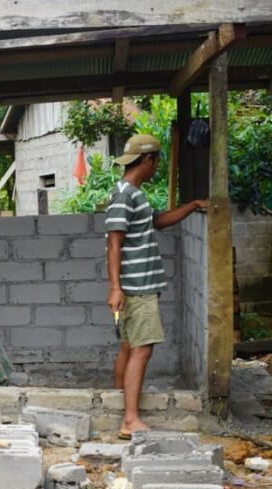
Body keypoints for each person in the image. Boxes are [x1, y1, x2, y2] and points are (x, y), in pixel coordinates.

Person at [106, 134, 208, 439]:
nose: (158, 167)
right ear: (148, 160)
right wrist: (116, 288)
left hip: (137, 286)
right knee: (142, 350)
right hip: (136, 287)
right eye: (157, 161)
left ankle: (119, 405)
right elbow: (114, 243)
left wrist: (191, 206)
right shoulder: (125, 195)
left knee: (129, 345)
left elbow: (158, 222)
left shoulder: (134, 194)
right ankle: (130, 419)